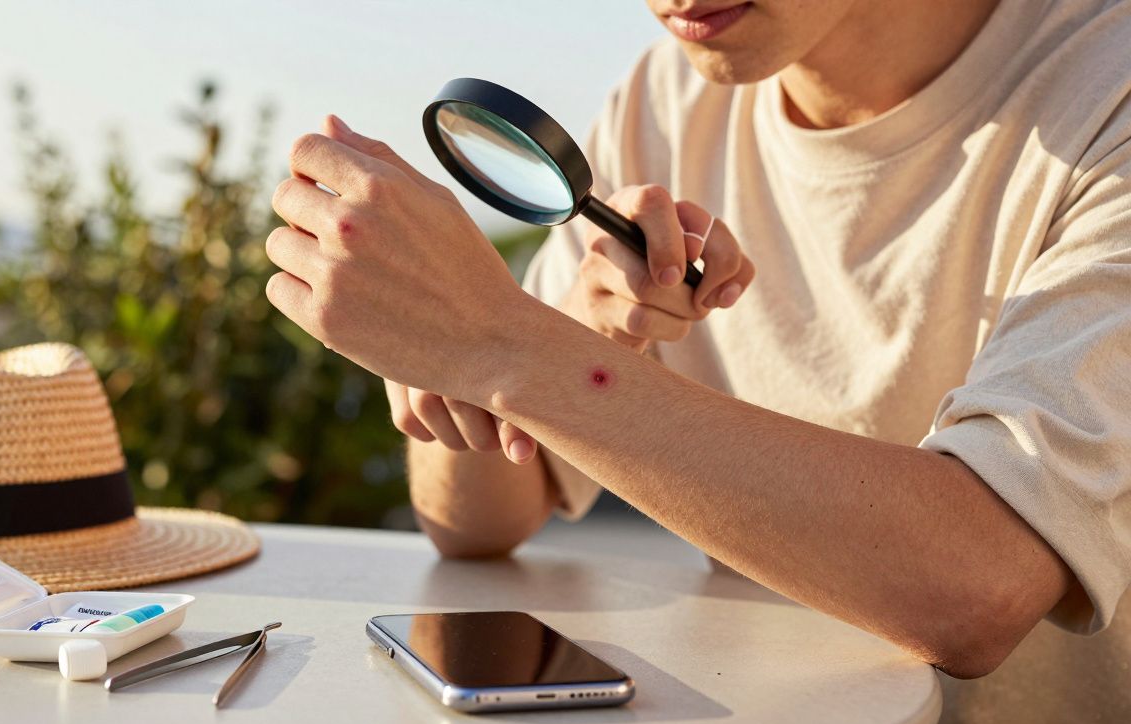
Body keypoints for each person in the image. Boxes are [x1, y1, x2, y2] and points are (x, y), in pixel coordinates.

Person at [264, 0, 1131, 686]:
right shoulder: (672, 95)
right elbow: (472, 524)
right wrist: (549, 338)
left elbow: (981, 588)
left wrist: (507, 345)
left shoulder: (1104, 91)